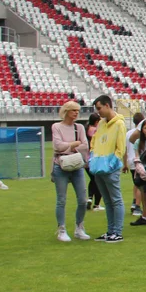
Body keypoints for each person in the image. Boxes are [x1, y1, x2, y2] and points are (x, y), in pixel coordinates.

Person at [89, 95, 128, 243]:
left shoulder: (119, 124)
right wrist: (93, 157)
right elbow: (95, 141)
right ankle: (110, 230)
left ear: (107, 105)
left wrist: (112, 164)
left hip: (110, 168)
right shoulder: (101, 124)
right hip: (98, 167)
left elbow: (120, 148)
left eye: (99, 108)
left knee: (116, 200)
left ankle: (117, 231)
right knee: (107, 200)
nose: (98, 112)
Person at [51, 101, 91, 243]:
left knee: (82, 199)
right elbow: (57, 146)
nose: (76, 113)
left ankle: (79, 227)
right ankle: (61, 229)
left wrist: (68, 147)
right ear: (66, 111)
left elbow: (85, 146)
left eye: (77, 110)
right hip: (60, 165)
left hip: (77, 165)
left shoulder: (79, 127)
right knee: (61, 200)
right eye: (73, 110)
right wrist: (74, 144)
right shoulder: (56, 126)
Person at [85, 112, 104, 210]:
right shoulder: (97, 131)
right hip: (96, 158)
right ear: (97, 121)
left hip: (86, 160)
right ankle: (97, 204)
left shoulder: (86, 129)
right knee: (99, 181)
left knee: (93, 179)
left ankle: (89, 198)